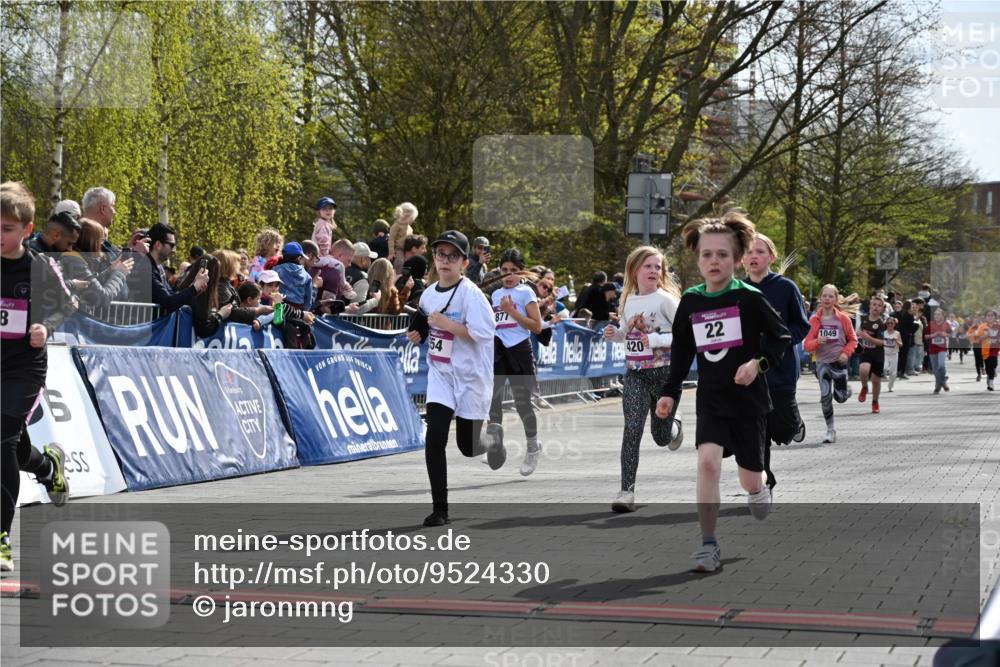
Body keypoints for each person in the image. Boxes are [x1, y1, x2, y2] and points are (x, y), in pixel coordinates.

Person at [654, 212, 791, 573]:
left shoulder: (750, 297)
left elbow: (781, 339)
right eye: (706, 255)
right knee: (707, 463)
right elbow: (683, 351)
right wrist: (670, 393)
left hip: (748, 401)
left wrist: (757, 364)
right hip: (711, 398)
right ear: (697, 259)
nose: (714, 262)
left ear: (738, 259)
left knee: (750, 479)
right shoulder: (692, 301)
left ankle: (759, 489)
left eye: (722, 255)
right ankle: (708, 545)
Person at [1, 181, 76, 572]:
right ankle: (47, 467)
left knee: (1, 439)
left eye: (7, 229)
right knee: (9, 446)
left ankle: (1, 538)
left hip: (24, 367)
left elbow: (67, 303)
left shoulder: (40, 267)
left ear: (27, 230)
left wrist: (45, 326)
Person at [406, 230, 495, 527]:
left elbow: (482, 335)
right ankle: (440, 508)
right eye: (441, 254)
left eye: (453, 256)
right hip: (441, 375)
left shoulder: (473, 296)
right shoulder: (430, 293)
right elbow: (422, 317)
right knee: (435, 439)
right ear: (434, 258)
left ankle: (491, 439)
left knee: (468, 447)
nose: (445, 261)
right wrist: (417, 331)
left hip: (471, 378)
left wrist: (449, 324)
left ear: (464, 263)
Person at [604, 246, 682, 512]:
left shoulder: (666, 300)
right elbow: (627, 334)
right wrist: (614, 333)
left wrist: (658, 339)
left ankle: (673, 427)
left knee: (660, 438)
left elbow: (687, 336)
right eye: (648, 266)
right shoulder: (629, 301)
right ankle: (627, 491)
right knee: (632, 429)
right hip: (636, 374)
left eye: (658, 267)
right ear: (634, 270)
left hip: (665, 376)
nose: (654, 271)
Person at [742, 233, 809, 489]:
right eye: (749, 252)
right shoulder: (736, 290)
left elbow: (801, 326)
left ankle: (796, 424)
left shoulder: (786, 288)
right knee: (760, 429)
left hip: (781, 370)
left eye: (760, 252)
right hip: (751, 372)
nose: (754, 256)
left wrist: (777, 341)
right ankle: (764, 479)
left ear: (771, 257)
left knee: (783, 429)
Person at [481, 249, 544, 476]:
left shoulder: (525, 292)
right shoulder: (496, 294)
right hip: (499, 350)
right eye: (504, 270)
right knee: (493, 397)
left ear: (522, 272)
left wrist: (511, 311)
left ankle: (532, 447)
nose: (508, 275)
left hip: (519, 350)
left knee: (521, 403)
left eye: (514, 271)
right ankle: (495, 443)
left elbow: (536, 326)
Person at [802, 285, 859, 443]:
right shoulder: (814, 319)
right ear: (820, 298)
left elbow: (853, 340)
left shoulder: (843, 319)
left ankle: (845, 389)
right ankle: (830, 430)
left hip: (839, 362)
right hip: (822, 363)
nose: (827, 299)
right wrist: (816, 342)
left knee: (840, 398)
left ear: (835, 299)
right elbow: (806, 345)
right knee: (825, 396)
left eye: (830, 296)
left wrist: (845, 353)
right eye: (824, 296)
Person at [60, 218, 133, 311]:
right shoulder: (73, 260)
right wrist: (120, 274)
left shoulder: (74, 258)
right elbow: (102, 298)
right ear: (91, 242)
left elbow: (88, 285)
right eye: (101, 240)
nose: (102, 245)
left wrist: (110, 271)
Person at [146, 222, 208, 312]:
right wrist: (194, 287)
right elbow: (168, 302)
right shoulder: (146, 268)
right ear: (158, 245)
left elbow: (171, 294)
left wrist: (194, 289)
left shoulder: (159, 268)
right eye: (171, 245)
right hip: (147, 325)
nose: (174, 250)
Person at [856, 294, 887, 413]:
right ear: (869, 306)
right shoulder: (863, 320)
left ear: (882, 309)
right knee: (863, 370)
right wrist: (858, 334)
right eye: (874, 304)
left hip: (878, 354)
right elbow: (857, 333)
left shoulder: (881, 324)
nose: (876, 307)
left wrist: (868, 337)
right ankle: (864, 387)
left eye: (879, 306)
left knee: (876, 380)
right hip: (866, 352)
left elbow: (881, 342)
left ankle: (875, 401)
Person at [81, 186, 119, 264]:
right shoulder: (84, 239)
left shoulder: (77, 234)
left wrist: (131, 250)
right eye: (112, 206)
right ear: (103, 209)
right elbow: (102, 270)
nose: (114, 212)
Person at [273, 242, 315, 311]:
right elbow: (308, 302)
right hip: (298, 311)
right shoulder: (307, 276)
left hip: (279, 308)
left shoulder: (276, 269)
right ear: (299, 258)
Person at [925, 308, 952, 394]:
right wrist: (934, 335)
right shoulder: (930, 324)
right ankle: (939, 385)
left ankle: (943, 381)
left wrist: (945, 334)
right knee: (935, 369)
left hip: (942, 348)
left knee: (941, 365)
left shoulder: (946, 324)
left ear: (943, 316)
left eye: (939, 314)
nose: (937, 316)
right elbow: (926, 337)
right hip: (932, 348)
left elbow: (951, 334)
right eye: (935, 314)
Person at [971, 310, 999, 391]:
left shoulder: (998, 326)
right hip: (986, 349)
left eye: (992, 315)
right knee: (988, 366)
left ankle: (991, 382)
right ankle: (989, 376)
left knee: (993, 364)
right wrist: (985, 336)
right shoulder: (982, 327)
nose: (990, 317)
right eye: (988, 315)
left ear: (995, 317)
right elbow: (977, 339)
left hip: (994, 349)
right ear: (986, 317)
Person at [389, 202, 418, 273]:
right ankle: (398, 277)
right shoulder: (396, 225)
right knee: (400, 263)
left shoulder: (410, 228)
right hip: (398, 249)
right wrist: (391, 252)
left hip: (407, 250)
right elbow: (391, 239)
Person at [883, 317, 903, 392]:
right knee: (884, 368)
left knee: (893, 373)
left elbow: (901, 344)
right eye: (888, 323)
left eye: (892, 323)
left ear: (894, 324)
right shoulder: (883, 333)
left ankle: (890, 387)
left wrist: (896, 340)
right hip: (885, 354)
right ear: (886, 324)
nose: (890, 325)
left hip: (894, 354)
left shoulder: (897, 333)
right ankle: (885, 375)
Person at [968, 314, 985, 381]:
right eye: (975, 318)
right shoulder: (972, 327)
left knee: (981, 357)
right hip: (975, 345)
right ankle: (979, 374)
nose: (976, 320)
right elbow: (969, 334)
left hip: (982, 344)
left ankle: (982, 367)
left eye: (977, 318)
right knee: (977, 359)